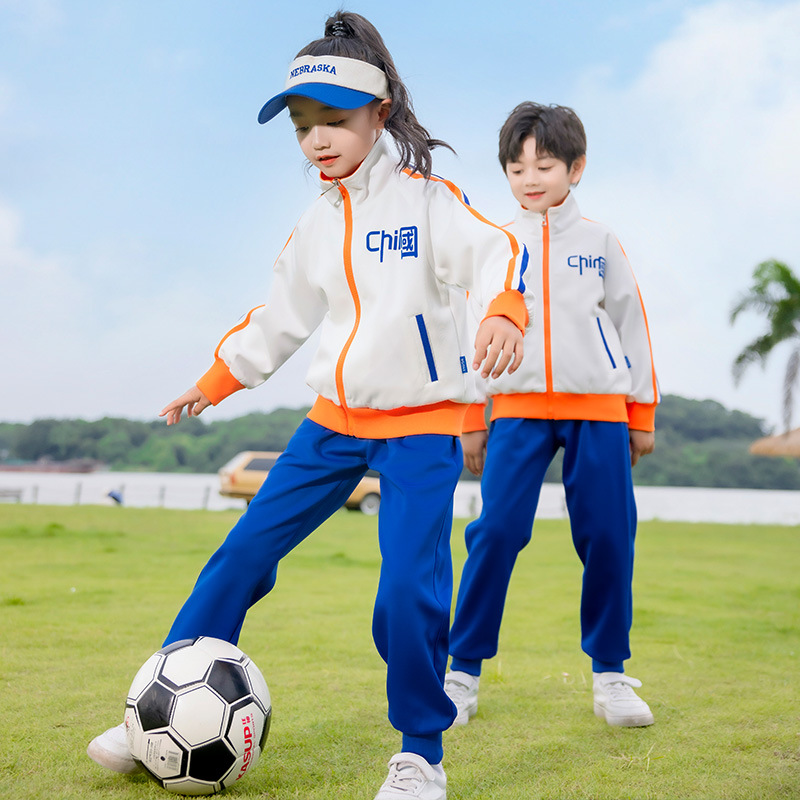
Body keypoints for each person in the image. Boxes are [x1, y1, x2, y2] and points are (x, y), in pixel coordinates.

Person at [86, 12, 530, 800]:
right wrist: (216, 378)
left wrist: (504, 310)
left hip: (421, 427)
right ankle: (150, 709)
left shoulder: (430, 201)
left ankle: (420, 755)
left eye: (335, 120)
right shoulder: (317, 222)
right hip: (330, 425)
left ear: (379, 113)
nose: (317, 140)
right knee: (240, 557)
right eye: (301, 126)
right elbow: (278, 317)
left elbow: (501, 249)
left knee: (407, 593)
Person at [444, 102, 659, 731]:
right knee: (495, 534)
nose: (530, 178)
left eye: (544, 164)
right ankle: (461, 675)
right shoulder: (493, 245)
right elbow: (466, 333)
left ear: (576, 167)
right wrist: (468, 417)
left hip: (599, 410)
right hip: (515, 409)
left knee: (609, 536)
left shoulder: (601, 242)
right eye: (516, 167)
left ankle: (612, 676)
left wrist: (640, 411)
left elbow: (632, 326)